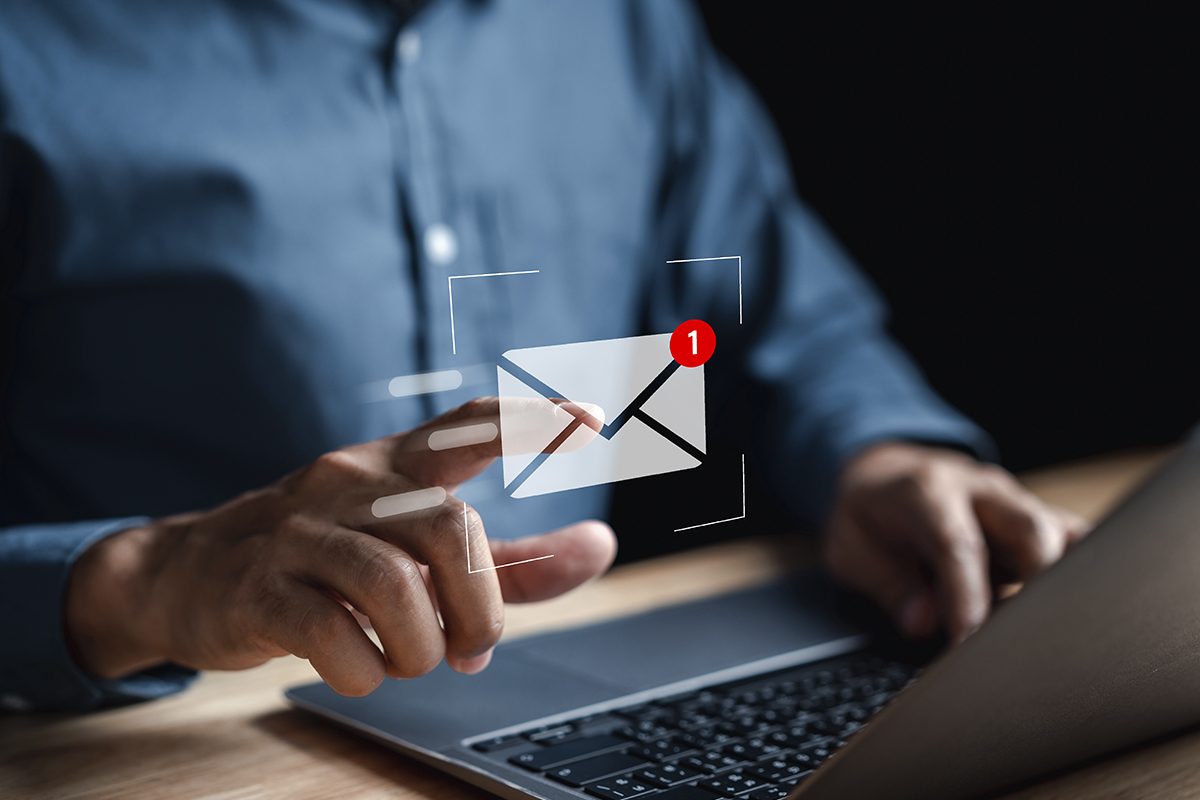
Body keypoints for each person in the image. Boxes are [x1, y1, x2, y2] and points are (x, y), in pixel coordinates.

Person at [0, 0, 1087, 712]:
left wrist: (881, 456)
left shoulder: (622, 24)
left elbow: (789, 327)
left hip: (579, 706)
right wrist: (142, 581)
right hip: (169, 750)